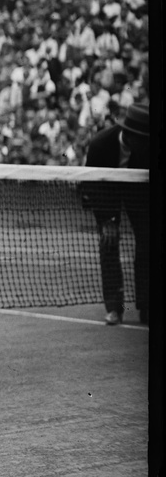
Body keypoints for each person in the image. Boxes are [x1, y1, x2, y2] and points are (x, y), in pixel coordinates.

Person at [81, 102, 151, 326]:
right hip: (106, 192)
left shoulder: (147, 147)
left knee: (147, 242)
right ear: (129, 135)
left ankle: (147, 305)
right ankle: (114, 307)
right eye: (142, 138)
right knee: (108, 242)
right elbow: (91, 185)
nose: (145, 142)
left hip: (138, 192)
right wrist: (107, 221)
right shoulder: (100, 144)